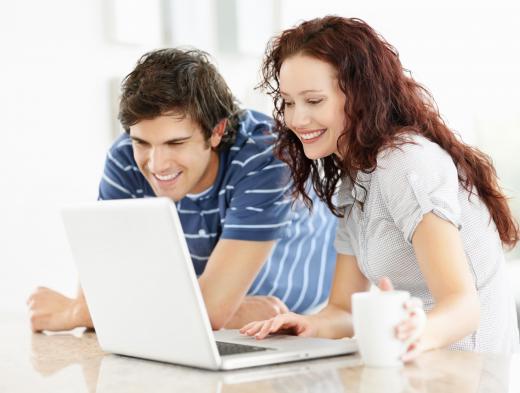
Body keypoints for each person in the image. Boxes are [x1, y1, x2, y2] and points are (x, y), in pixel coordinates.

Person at [240, 16, 520, 358]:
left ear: (361, 96)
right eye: (288, 102)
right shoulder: (354, 175)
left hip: (468, 371)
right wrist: (306, 325)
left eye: (313, 101)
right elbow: (343, 310)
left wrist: (415, 332)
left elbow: (463, 307)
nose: (296, 119)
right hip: (415, 366)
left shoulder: (405, 163)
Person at [27, 48, 337, 332]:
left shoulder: (268, 155)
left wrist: (72, 314)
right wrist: (222, 310)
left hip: (309, 324)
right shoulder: (125, 158)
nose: (157, 164)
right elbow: (101, 295)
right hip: (209, 325)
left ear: (217, 131)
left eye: (175, 143)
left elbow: (206, 314)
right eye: (142, 142)